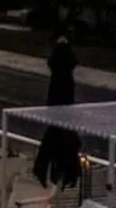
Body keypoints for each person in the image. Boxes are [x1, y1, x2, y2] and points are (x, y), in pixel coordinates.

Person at [33, 33, 82, 189]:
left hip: (57, 102)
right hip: (64, 103)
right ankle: (67, 172)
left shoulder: (56, 69)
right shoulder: (67, 69)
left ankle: (51, 170)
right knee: (64, 137)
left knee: (56, 137)